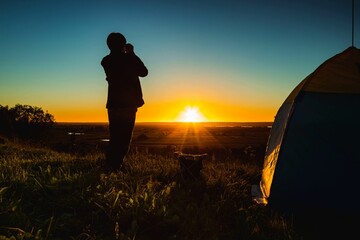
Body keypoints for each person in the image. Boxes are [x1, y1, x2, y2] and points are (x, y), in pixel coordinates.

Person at [101, 32, 148, 171]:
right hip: (128, 104)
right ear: (123, 44)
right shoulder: (129, 59)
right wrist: (132, 53)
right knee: (125, 138)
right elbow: (144, 72)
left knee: (115, 136)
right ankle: (116, 166)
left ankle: (111, 164)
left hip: (114, 104)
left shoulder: (106, 61)